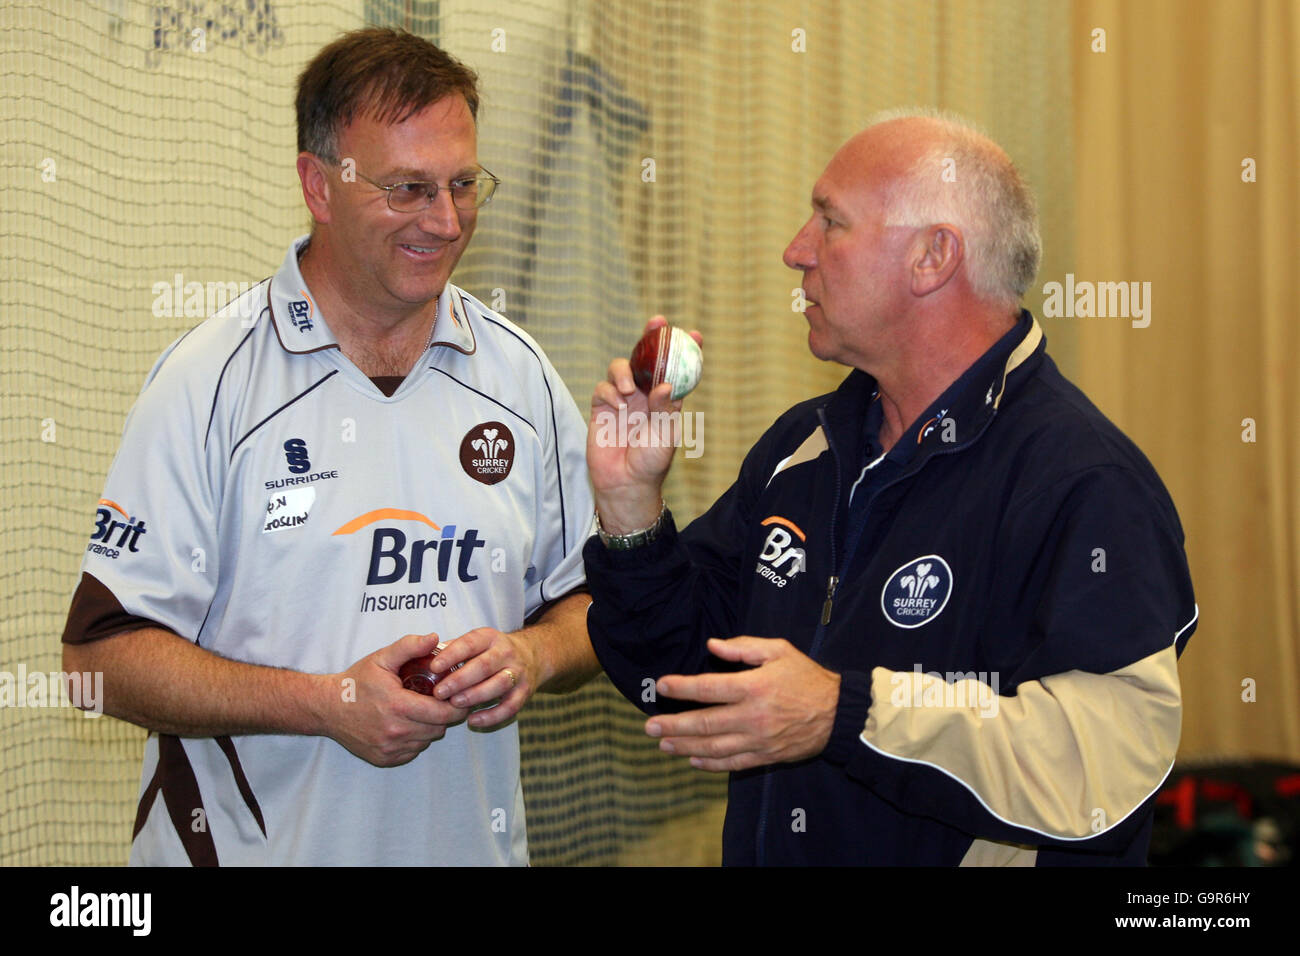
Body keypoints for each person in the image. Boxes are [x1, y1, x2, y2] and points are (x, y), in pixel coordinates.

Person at [583, 110, 1197, 865]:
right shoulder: (804, 447)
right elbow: (681, 677)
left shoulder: (1082, 479)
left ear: (932, 257)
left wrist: (848, 715)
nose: (794, 251)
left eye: (829, 222)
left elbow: (1103, 767)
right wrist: (628, 512)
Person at [62, 28, 599, 866]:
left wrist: (532, 654)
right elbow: (96, 659)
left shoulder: (521, 378)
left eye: (464, 185)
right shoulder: (209, 382)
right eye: (409, 189)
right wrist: (326, 703)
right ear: (319, 184)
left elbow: (592, 605)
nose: (447, 221)